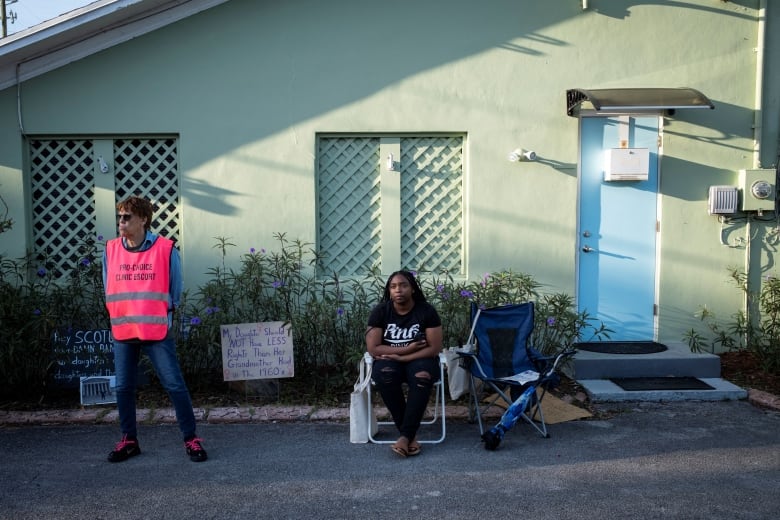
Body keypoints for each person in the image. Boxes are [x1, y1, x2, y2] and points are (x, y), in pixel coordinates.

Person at [102, 195, 207, 463]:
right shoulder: (111, 249)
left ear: (143, 220)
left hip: (156, 331)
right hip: (124, 332)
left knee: (174, 385)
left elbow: (175, 292)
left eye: (127, 217)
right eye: (120, 217)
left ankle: (191, 439)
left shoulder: (166, 249)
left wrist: (163, 317)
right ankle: (129, 441)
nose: (121, 222)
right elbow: (108, 288)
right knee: (124, 387)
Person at [365, 270, 443, 458]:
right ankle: (409, 436)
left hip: (422, 358)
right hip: (390, 359)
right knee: (385, 375)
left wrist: (405, 358)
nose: (398, 290)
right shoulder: (381, 312)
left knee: (421, 377)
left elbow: (434, 348)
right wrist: (407, 350)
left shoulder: (427, 311)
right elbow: (374, 348)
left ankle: (404, 436)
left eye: (403, 285)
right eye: (393, 287)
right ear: (389, 291)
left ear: (413, 289)